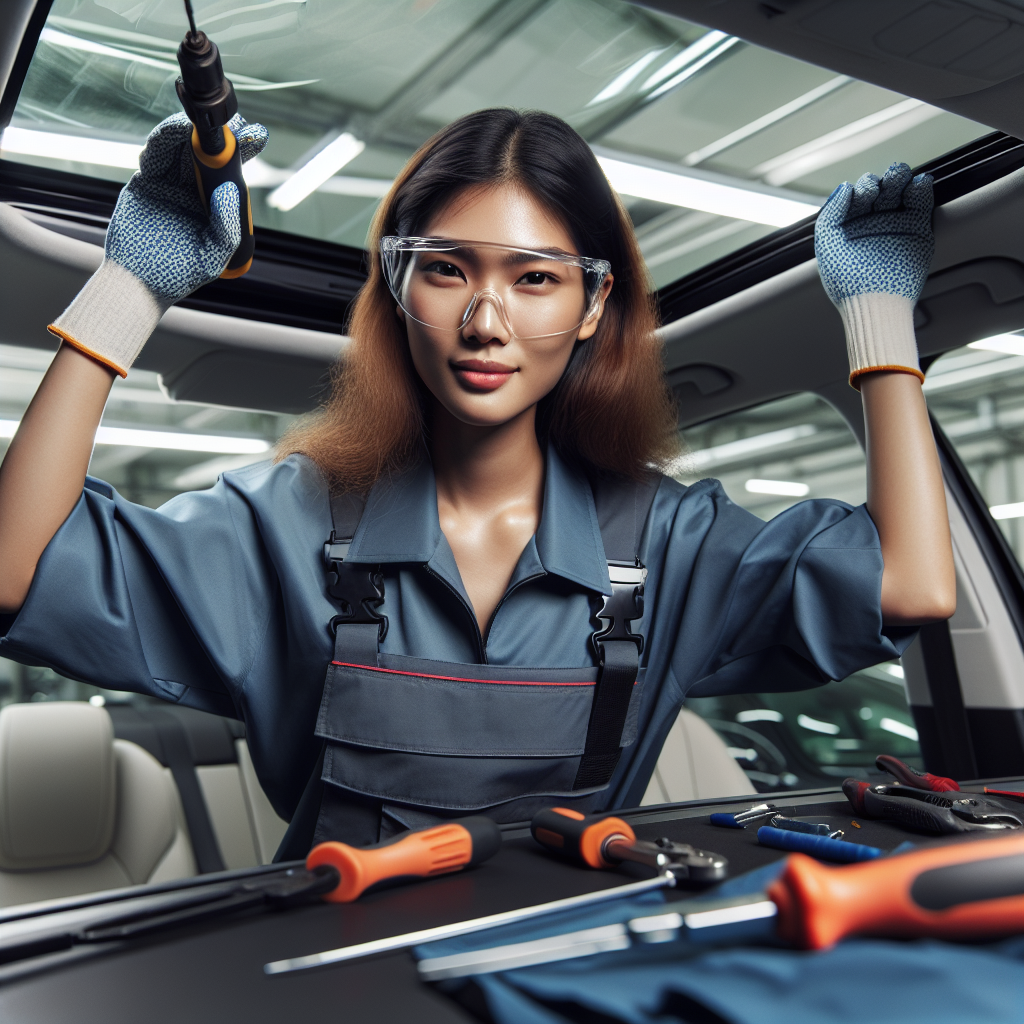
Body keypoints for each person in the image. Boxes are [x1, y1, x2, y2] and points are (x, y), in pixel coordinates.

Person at [0, 108, 954, 853]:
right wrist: (130, 289)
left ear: (593, 305)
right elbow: (15, 567)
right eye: (447, 270)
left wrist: (876, 317)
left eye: (536, 278)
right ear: (396, 288)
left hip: (568, 962)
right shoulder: (283, 522)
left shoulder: (668, 539)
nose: (487, 321)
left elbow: (911, 583)